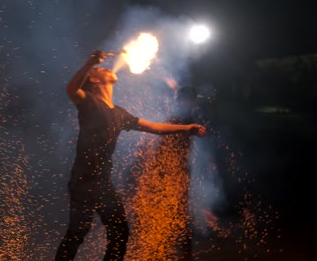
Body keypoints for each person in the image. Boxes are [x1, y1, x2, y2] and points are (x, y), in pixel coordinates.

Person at [55, 51, 206, 261]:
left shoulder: (119, 113)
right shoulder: (88, 102)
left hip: (103, 182)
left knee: (120, 232)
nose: (108, 68)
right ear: (95, 79)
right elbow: (72, 89)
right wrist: (90, 62)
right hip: (83, 180)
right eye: (101, 69)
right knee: (77, 233)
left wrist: (185, 127)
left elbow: (153, 127)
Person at [126, 85, 200, 260]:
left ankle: (180, 255)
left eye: (190, 100)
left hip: (179, 176)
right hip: (166, 176)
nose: (188, 103)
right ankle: (155, 252)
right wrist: (158, 175)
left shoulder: (188, 119)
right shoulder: (176, 120)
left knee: (181, 217)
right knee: (164, 216)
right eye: (185, 99)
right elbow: (161, 149)